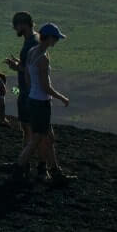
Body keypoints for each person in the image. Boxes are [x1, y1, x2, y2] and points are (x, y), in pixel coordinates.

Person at [14, 23, 74, 184]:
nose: (57, 41)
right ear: (49, 38)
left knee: (49, 137)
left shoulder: (33, 52)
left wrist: (30, 91)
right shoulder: (43, 58)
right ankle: (20, 165)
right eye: (56, 38)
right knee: (37, 138)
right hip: (41, 103)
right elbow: (45, 87)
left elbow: (27, 74)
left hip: (34, 100)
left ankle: (54, 170)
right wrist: (62, 98)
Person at [4, 12, 45, 178]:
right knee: (28, 129)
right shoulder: (34, 40)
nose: (15, 29)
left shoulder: (31, 43)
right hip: (28, 91)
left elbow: (29, 69)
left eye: (16, 26)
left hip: (29, 93)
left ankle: (34, 165)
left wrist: (16, 67)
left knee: (32, 130)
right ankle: (25, 162)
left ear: (23, 24)